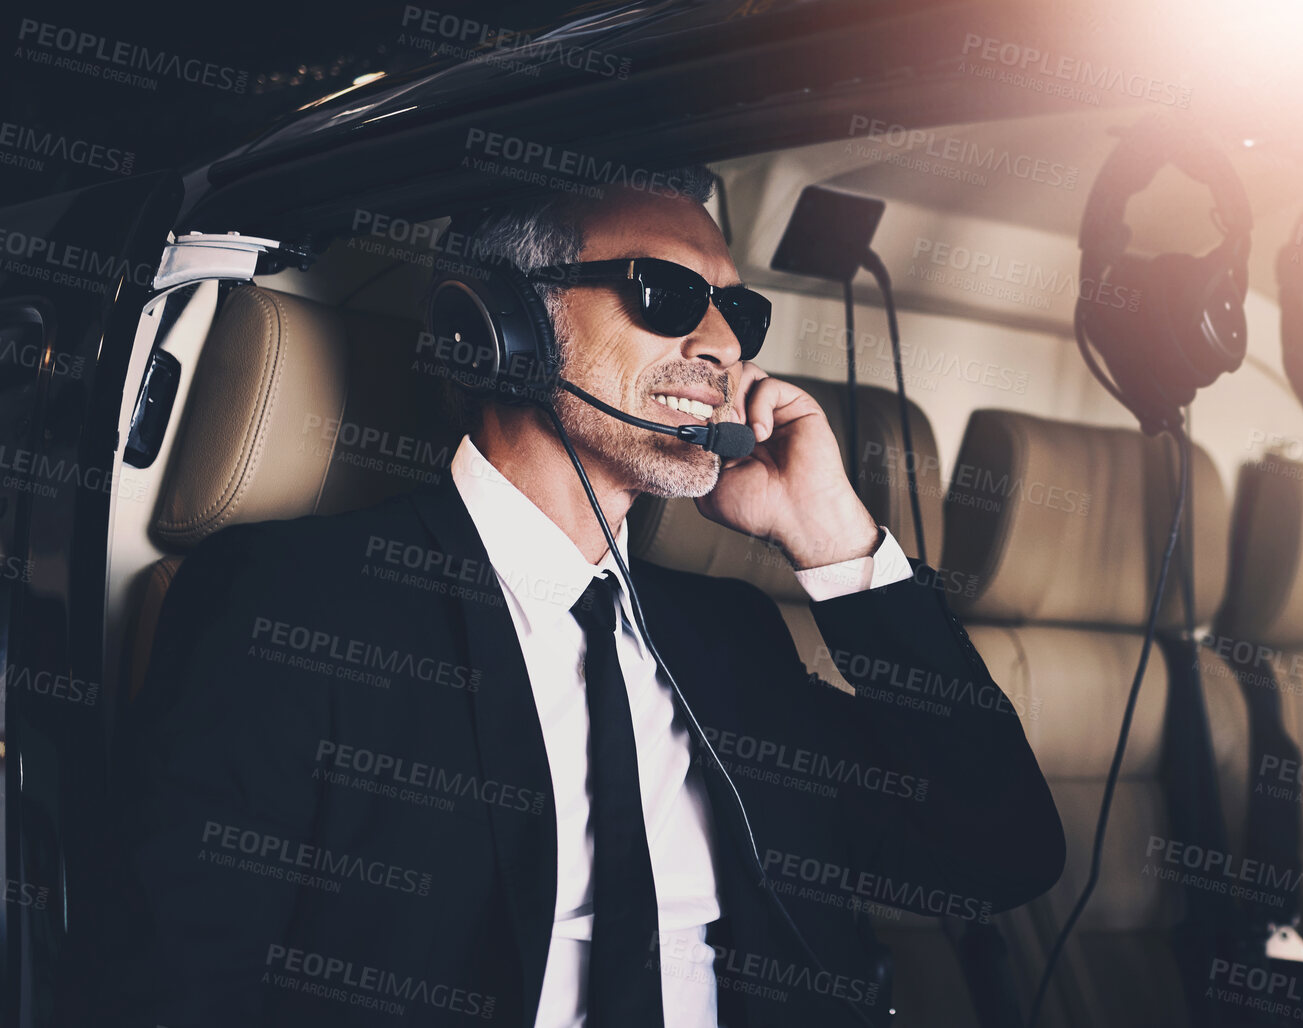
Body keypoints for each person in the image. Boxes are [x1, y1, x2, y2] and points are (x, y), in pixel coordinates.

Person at [90, 167, 1065, 1028]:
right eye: (667, 292)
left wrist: (836, 541)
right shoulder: (298, 605)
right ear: (496, 328)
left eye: (742, 311)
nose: (725, 342)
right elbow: (178, 986)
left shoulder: (728, 639)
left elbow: (996, 851)